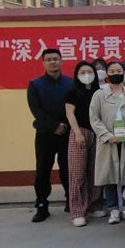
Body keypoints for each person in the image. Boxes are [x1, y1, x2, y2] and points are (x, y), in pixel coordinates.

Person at [88, 60, 125, 224]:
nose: (116, 73)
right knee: (109, 174)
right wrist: (106, 135)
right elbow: (94, 118)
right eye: (112, 71)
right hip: (108, 141)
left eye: (119, 71)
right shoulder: (99, 95)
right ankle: (113, 208)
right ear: (107, 74)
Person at [26, 48, 73, 222]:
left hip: (67, 133)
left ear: (61, 61)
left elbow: (75, 107)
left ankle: (71, 201)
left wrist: (65, 126)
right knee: (43, 170)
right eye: (49, 59)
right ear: (43, 63)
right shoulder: (35, 84)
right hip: (45, 134)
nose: (53, 62)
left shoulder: (70, 83)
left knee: (68, 169)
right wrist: (54, 126)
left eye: (55, 59)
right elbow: (36, 110)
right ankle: (41, 206)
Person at [65, 60, 100, 226]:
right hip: (80, 132)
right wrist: (77, 132)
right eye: (83, 72)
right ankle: (77, 211)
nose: (87, 75)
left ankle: (93, 205)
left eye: (90, 72)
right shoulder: (72, 92)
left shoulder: (98, 92)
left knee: (95, 172)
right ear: (77, 75)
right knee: (77, 173)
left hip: (97, 133)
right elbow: (70, 114)